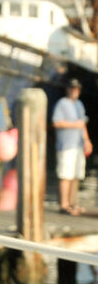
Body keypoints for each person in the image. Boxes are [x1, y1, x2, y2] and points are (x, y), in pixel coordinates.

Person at [52, 78, 92, 215]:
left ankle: (72, 204)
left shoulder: (79, 104)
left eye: (76, 89)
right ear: (67, 89)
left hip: (78, 145)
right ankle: (64, 205)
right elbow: (56, 123)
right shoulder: (62, 104)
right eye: (72, 88)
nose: (74, 91)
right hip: (66, 145)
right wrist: (74, 125)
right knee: (65, 175)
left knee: (76, 175)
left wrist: (87, 140)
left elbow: (82, 124)